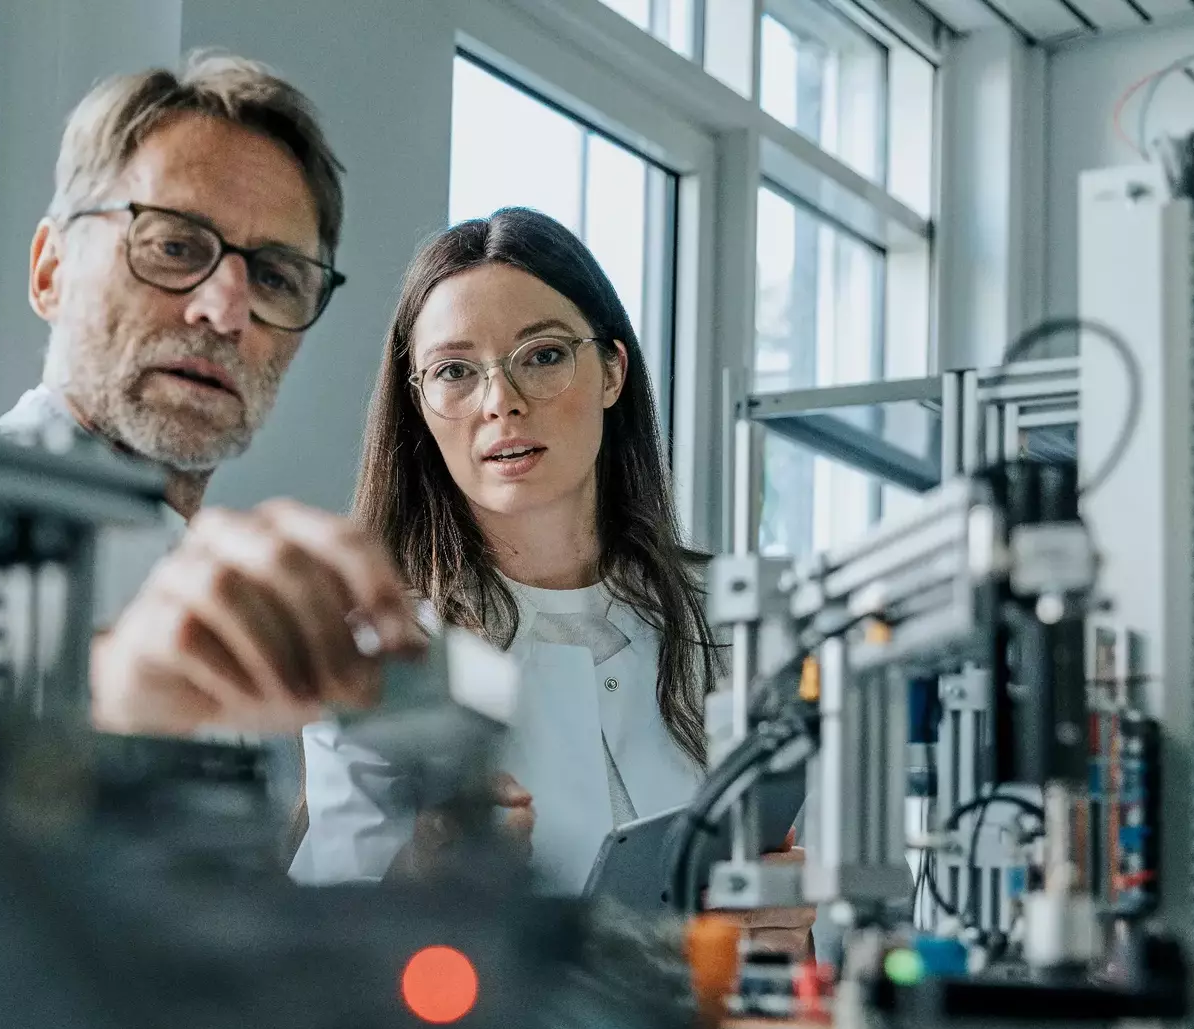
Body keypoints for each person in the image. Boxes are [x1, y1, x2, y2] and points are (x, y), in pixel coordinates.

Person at [291, 210, 814, 949]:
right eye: (453, 372)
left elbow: (846, 906)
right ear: (419, 404)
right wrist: (422, 876)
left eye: (540, 356)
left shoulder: (739, 626)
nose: (499, 400)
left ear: (611, 370)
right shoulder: (384, 654)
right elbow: (318, 955)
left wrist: (798, 930)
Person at [0, 52, 422, 735]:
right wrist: (114, 695)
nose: (227, 311)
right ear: (51, 272)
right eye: (176, 247)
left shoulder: (242, 598)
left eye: (274, 277)